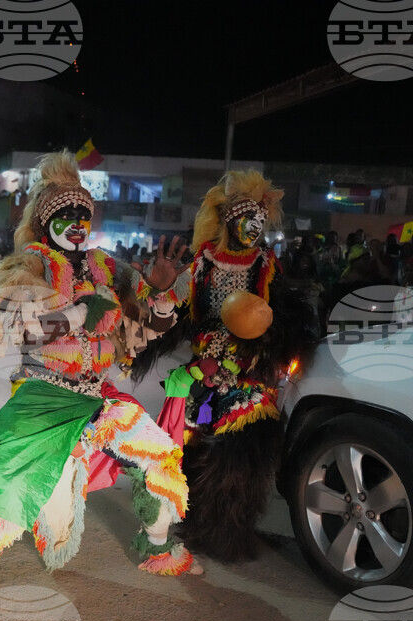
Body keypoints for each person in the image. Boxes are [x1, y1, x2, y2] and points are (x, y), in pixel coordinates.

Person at [0, 150, 198, 621]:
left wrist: (160, 288)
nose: (76, 223)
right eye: (66, 214)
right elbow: (2, 325)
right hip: (46, 393)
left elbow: (148, 322)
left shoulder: (107, 266)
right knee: (9, 486)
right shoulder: (30, 262)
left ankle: (160, 546)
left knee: (156, 453)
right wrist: (72, 315)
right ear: (46, 219)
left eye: (83, 214)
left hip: (100, 394)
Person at [131, 169, 307, 563]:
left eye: (260, 222)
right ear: (229, 220)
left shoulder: (266, 265)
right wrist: (156, 297)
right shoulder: (202, 264)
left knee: (239, 461)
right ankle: (190, 521)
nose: (254, 229)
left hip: (248, 372)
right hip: (204, 370)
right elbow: (175, 314)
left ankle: (228, 531)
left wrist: (269, 334)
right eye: (247, 220)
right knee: (191, 451)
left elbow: (282, 314)